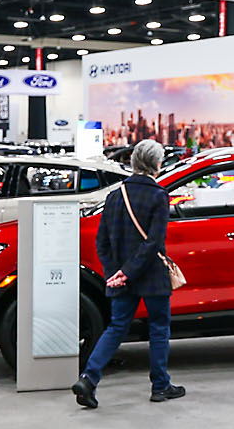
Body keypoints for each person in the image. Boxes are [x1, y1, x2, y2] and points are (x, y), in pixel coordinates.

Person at [73, 139, 184, 409]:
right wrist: (127, 271)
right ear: (156, 164)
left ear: (134, 161)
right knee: (159, 327)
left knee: (116, 327)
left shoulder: (114, 196)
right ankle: (160, 386)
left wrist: (115, 273)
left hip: (121, 276)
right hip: (152, 275)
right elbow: (153, 242)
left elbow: (102, 241)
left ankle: (89, 378)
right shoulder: (159, 196)